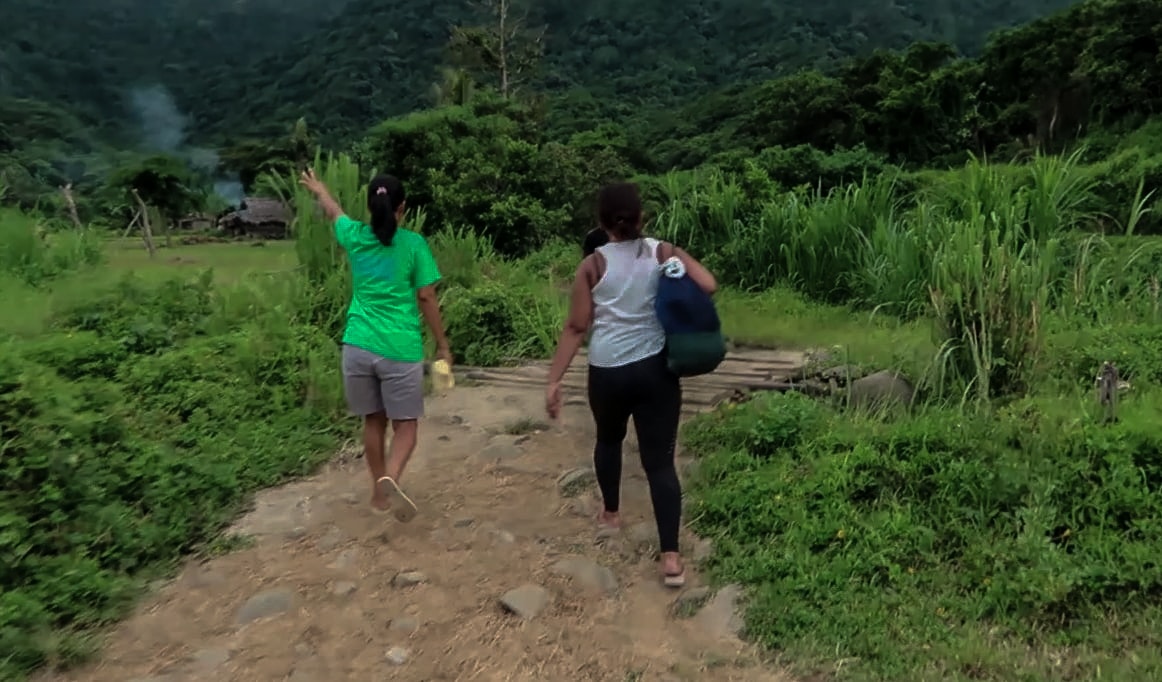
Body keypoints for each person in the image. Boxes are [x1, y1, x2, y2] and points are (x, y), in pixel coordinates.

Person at [544, 182, 717, 587]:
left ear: (601, 223)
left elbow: (575, 327)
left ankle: (611, 514)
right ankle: (671, 560)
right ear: (642, 217)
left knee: (608, 440)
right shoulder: (662, 251)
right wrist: (674, 268)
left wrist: (554, 381)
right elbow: (708, 284)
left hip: (607, 370)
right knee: (660, 463)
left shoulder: (592, 266)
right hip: (657, 369)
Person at [299, 168, 452, 523]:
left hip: (357, 346)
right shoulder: (413, 245)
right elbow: (427, 297)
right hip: (399, 349)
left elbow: (334, 211)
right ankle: (390, 480)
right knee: (407, 427)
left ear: (370, 205)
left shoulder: (355, 235)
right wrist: (442, 344)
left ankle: (378, 495)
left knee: (373, 421)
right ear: (403, 207)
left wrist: (319, 188)